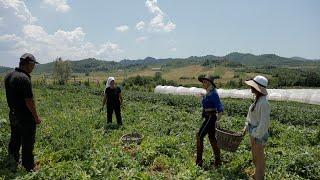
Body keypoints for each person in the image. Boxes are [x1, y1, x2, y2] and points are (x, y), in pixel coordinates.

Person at [4, 53, 42, 172]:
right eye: (33, 65)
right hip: (25, 117)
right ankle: (29, 166)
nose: (34, 67)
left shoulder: (9, 75)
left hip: (13, 114)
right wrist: (36, 117)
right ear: (29, 63)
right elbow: (29, 101)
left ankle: (13, 159)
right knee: (27, 141)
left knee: (15, 137)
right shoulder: (23, 78)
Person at [243, 75, 270, 180]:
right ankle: (256, 174)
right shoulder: (257, 100)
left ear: (258, 88)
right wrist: (246, 126)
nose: (250, 88)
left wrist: (255, 134)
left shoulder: (264, 103)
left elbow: (264, 123)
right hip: (253, 131)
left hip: (258, 134)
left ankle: (259, 177)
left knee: (259, 158)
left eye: (252, 86)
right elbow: (250, 116)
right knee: (255, 156)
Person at [196, 75, 224, 168]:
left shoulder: (214, 94)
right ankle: (218, 161)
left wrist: (218, 120)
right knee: (212, 137)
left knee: (199, 136)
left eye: (204, 82)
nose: (203, 84)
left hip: (211, 118)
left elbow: (220, 108)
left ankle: (199, 162)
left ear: (209, 83)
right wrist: (203, 96)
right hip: (208, 117)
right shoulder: (209, 92)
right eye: (203, 82)